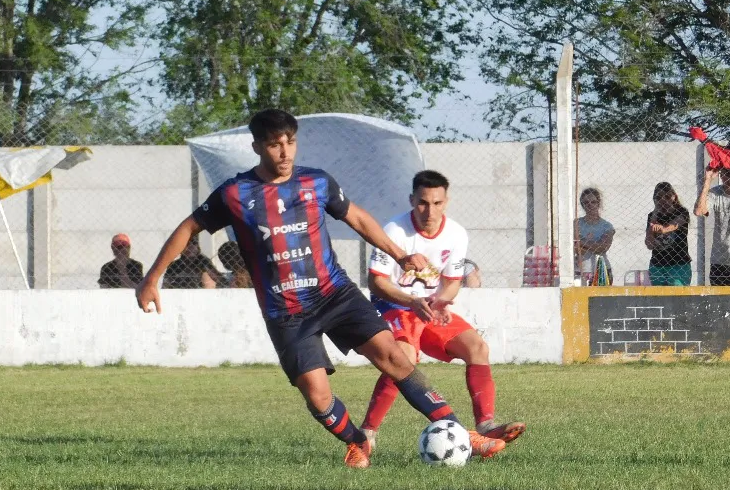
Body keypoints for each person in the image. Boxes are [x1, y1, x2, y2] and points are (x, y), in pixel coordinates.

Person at [135, 108, 506, 468]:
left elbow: (357, 216)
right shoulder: (235, 193)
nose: (284, 153)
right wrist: (153, 278)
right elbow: (188, 228)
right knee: (317, 396)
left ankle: (463, 432)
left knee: (396, 358)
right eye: (275, 145)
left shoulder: (316, 182)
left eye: (290, 142)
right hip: (286, 312)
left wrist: (399, 255)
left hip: (335, 293)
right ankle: (357, 441)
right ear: (257, 147)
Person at [358, 170, 525, 453]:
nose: (429, 210)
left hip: (430, 311)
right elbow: (376, 282)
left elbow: (451, 284)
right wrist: (411, 302)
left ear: (446, 201)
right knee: (403, 357)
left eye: (436, 203)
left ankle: (485, 426)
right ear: (412, 200)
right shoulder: (394, 231)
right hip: (395, 306)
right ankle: (366, 436)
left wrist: (441, 302)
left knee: (477, 347)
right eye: (423, 202)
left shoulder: (456, 234)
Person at [645, 182, 691, 286]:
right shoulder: (652, 216)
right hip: (657, 265)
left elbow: (675, 225)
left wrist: (663, 229)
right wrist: (655, 215)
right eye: (658, 197)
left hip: (679, 265)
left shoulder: (682, 212)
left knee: (676, 296)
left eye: (667, 196)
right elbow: (649, 244)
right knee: (659, 298)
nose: (663, 200)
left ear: (674, 197)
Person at [576, 187, 615, 285]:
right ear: (582, 204)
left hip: (602, 270)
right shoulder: (576, 224)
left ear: (598, 203)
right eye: (586, 203)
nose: (590, 205)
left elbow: (603, 247)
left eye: (593, 202)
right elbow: (575, 248)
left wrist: (581, 242)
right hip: (581, 271)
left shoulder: (607, 226)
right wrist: (594, 245)